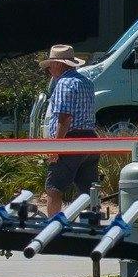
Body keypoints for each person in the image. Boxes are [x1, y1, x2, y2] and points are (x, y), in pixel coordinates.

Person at [40, 45, 99, 200]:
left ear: (58, 64)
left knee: (54, 188)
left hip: (70, 140)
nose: (49, 70)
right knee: (88, 190)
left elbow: (64, 118)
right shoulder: (87, 82)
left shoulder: (64, 83)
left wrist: (56, 147)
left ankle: (54, 223)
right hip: (90, 139)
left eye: (50, 65)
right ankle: (92, 222)